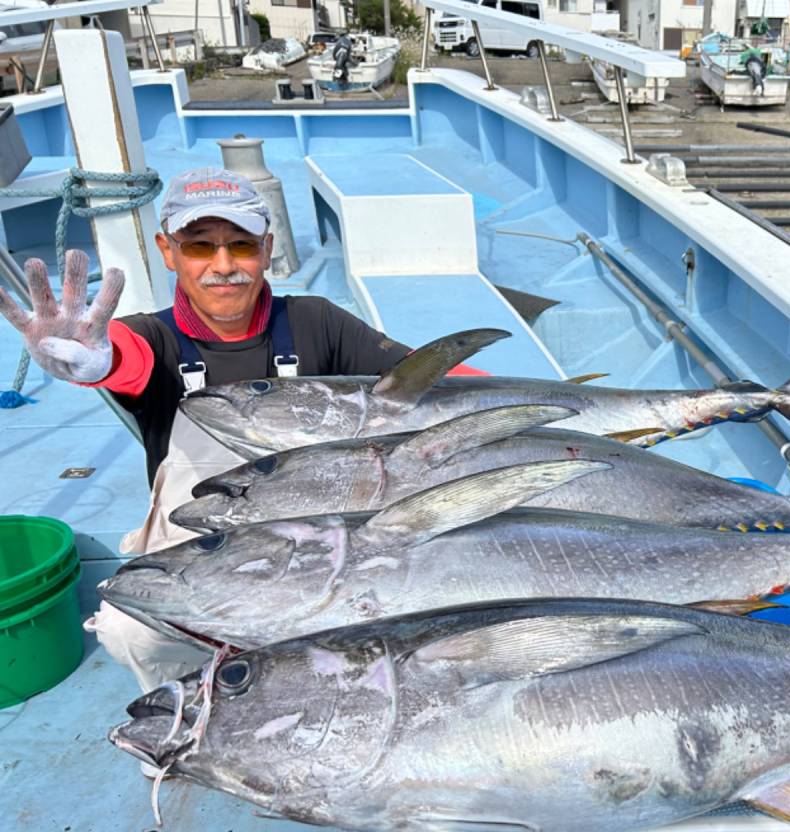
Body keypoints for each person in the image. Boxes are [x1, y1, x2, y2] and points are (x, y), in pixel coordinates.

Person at [0, 167, 479, 691]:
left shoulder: (316, 320)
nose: (223, 266)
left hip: (323, 537)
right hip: (206, 542)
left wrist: (548, 398)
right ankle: (185, 713)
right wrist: (93, 362)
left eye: (242, 245)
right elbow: (122, 359)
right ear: (168, 250)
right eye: (201, 246)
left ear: (267, 247)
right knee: (130, 628)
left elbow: (417, 379)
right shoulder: (151, 337)